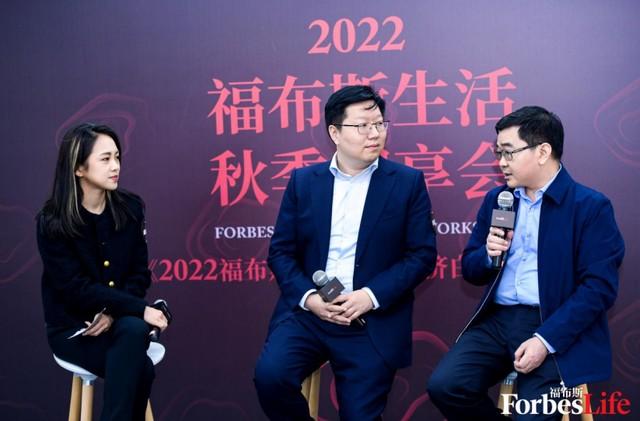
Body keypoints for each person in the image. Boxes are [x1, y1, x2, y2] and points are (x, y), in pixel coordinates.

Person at [427, 106, 625, 420]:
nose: (501, 162)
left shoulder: (589, 206)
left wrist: (545, 341)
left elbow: (598, 289)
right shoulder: (499, 200)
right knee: (446, 386)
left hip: (555, 324)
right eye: (498, 153)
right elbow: (471, 270)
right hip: (498, 322)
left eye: (509, 152)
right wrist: (489, 255)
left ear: (543, 152)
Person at [254, 85, 437, 420]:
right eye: (362, 126)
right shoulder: (304, 182)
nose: (374, 133)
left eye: (379, 124)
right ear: (335, 133)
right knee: (271, 378)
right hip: (310, 315)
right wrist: (311, 299)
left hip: (370, 319)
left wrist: (369, 296)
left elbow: (421, 255)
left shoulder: (406, 182)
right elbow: (280, 253)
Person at [37, 123, 168, 421]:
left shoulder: (130, 208)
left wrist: (112, 313)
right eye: (105, 159)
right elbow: (74, 288)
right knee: (141, 366)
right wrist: (139, 309)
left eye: (117, 157)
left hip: (122, 324)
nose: (115, 166)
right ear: (79, 168)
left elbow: (139, 275)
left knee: (133, 330)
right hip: (75, 329)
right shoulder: (53, 221)